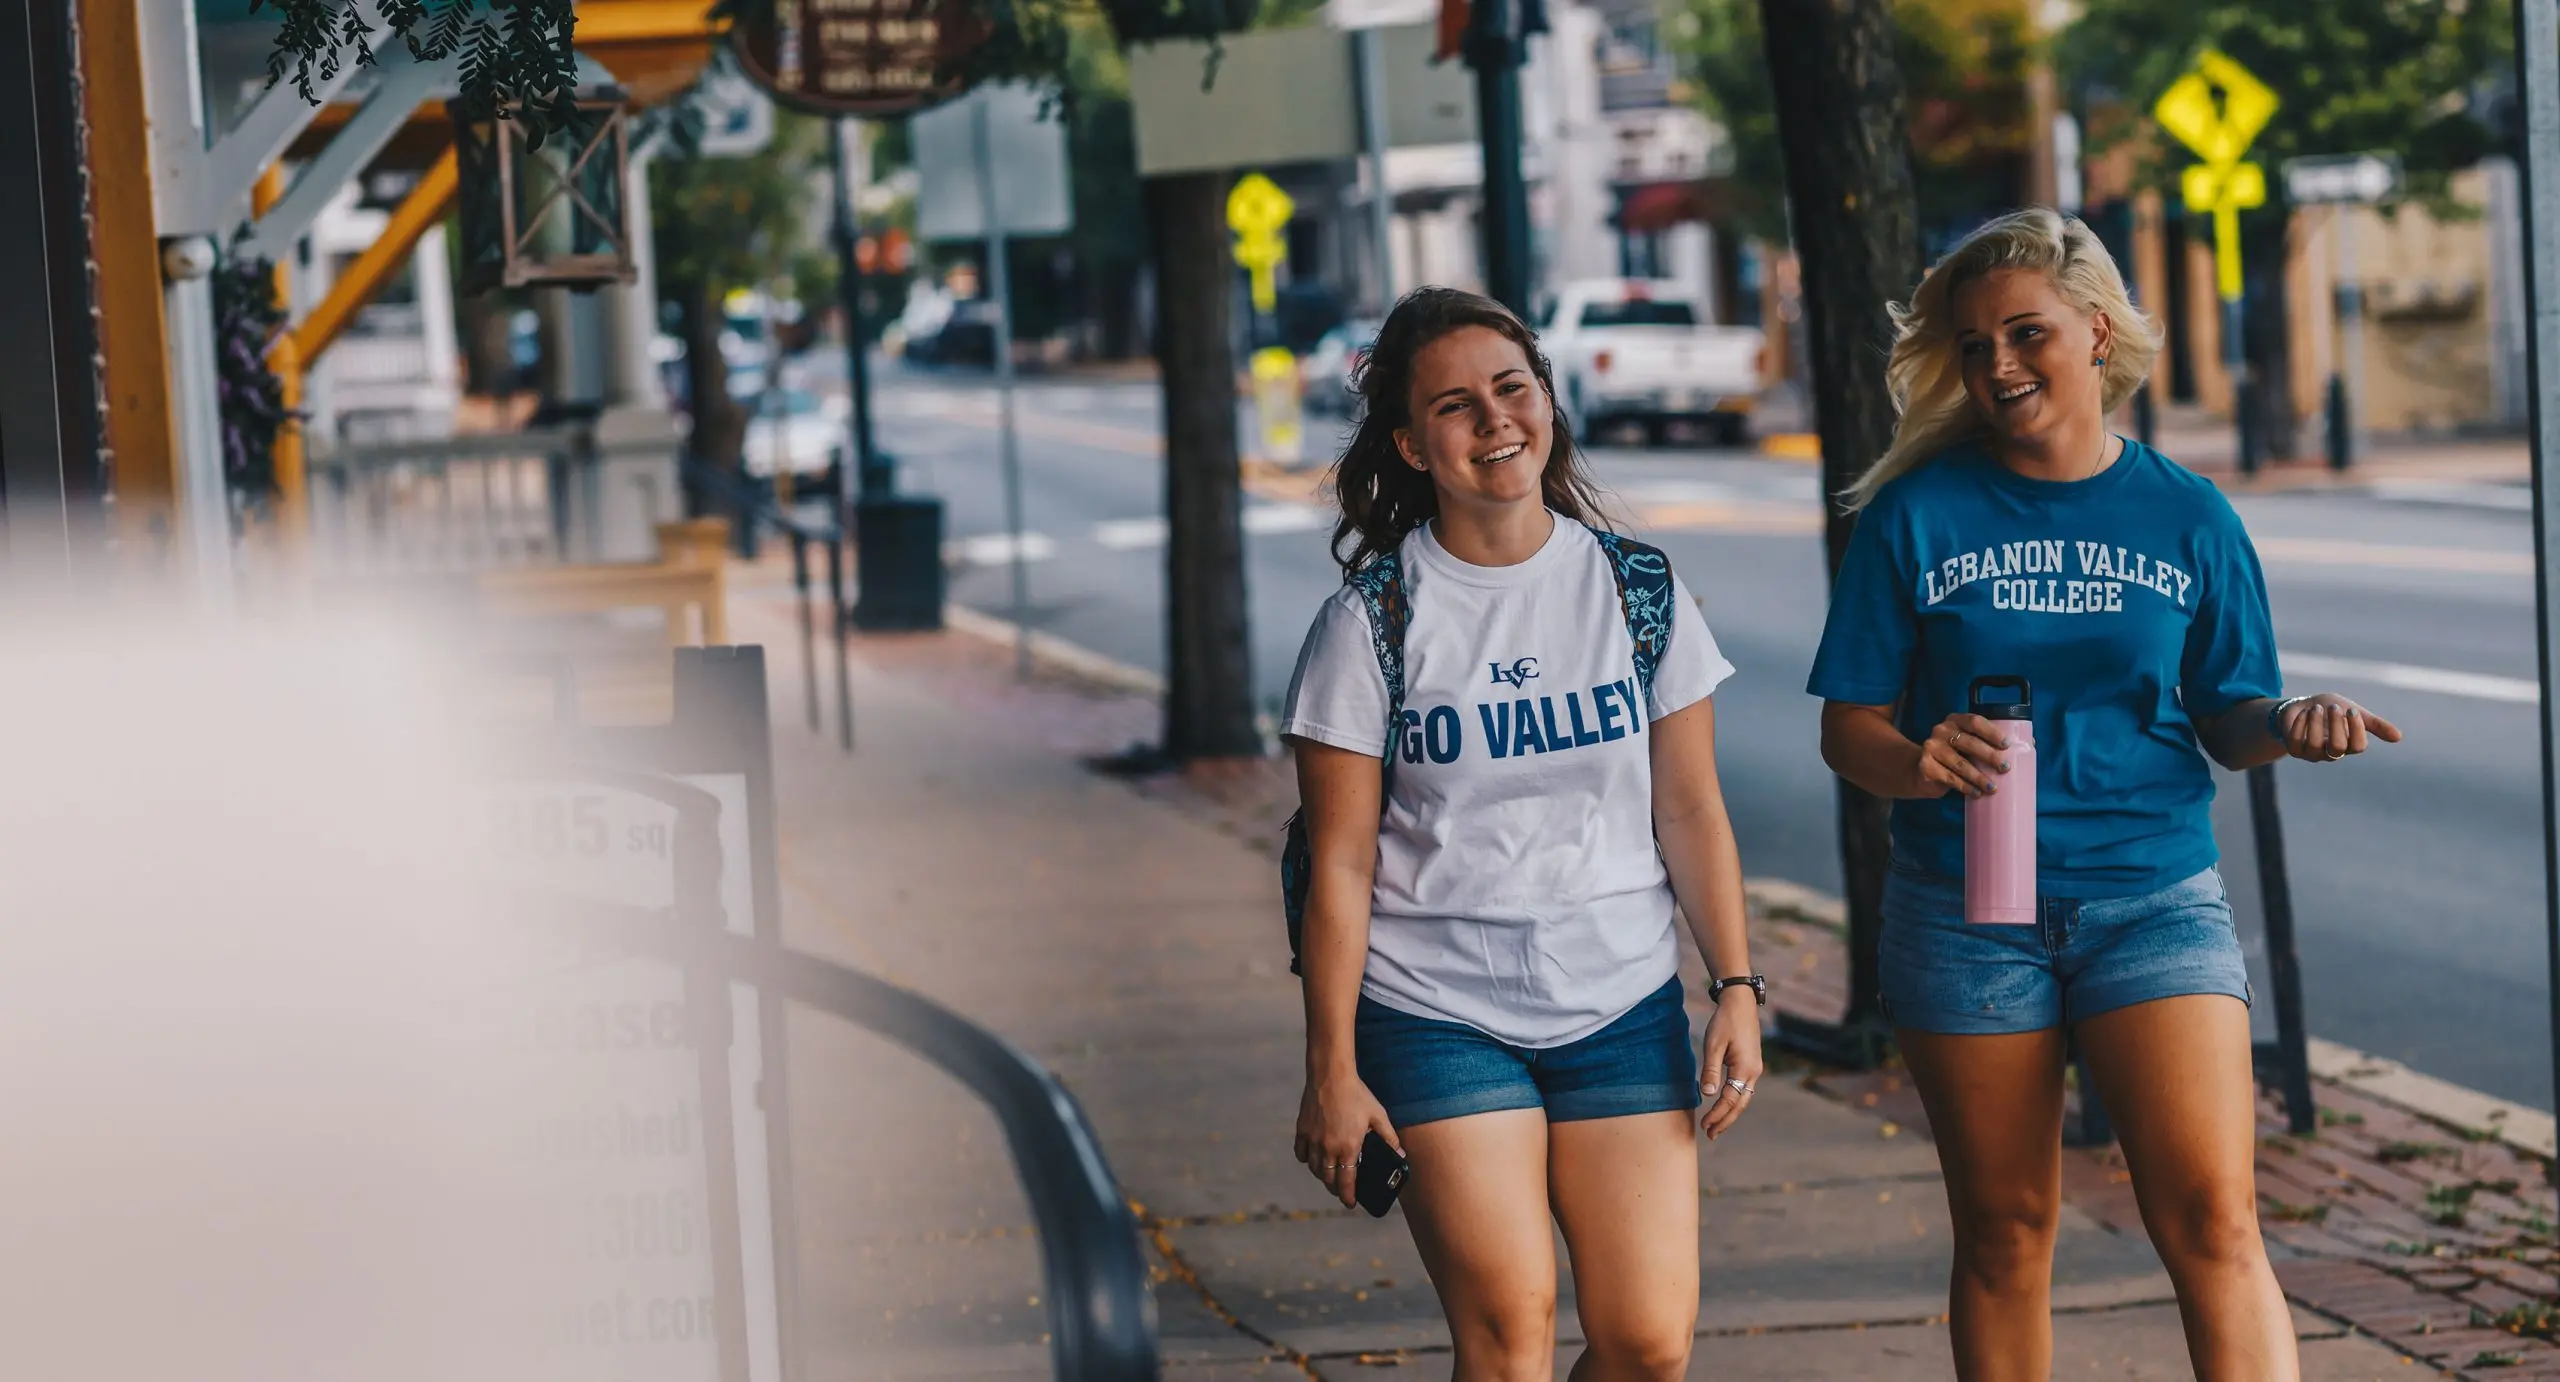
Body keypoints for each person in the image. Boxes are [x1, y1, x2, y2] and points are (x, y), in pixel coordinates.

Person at [1807, 207, 2403, 1381]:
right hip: (1966, 901)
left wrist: (2290, 724)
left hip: (2150, 897)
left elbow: (2232, 719)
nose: (1998, 367)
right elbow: (1847, 730)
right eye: (1972, 347)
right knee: (2004, 1232)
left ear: (2094, 331)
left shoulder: (2187, 514)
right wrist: (1916, 756)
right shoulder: (1915, 515)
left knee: (2215, 1222)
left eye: (2023, 334)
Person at [1281, 286, 1765, 1382]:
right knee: (1508, 1334)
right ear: (1410, 443)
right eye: (1455, 405)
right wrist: (1331, 1067)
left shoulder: (1634, 588)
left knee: (1646, 1340)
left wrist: (1736, 984)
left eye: (1513, 387)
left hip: (1619, 999)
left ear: (1547, 399)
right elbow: (1340, 863)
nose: (1495, 418)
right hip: (1437, 1006)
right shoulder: (1372, 622)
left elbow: (1688, 807)